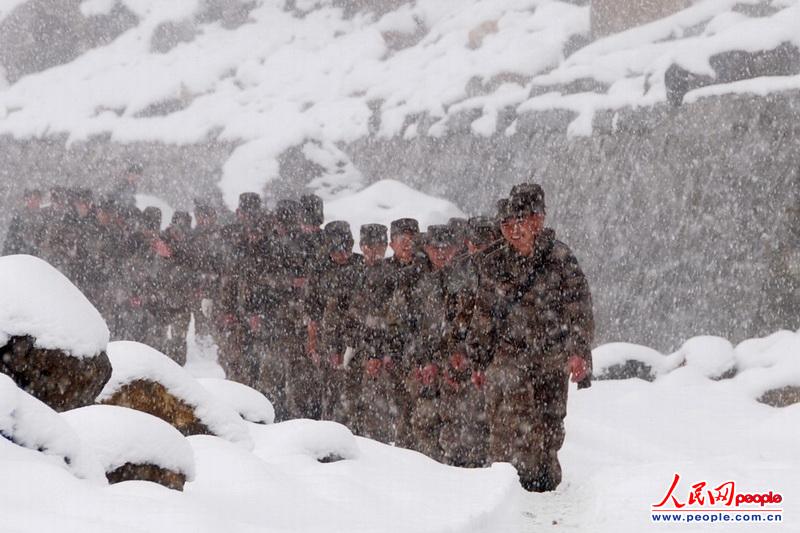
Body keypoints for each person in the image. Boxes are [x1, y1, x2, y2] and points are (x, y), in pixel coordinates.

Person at [470, 183, 594, 491]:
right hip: (508, 354)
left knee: (549, 427)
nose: (514, 230)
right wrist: (478, 359)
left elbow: (579, 307)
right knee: (506, 422)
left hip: (551, 354)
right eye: (507, 224)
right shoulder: (494, 263)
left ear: (537, 222)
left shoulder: (560, 258)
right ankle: (503, 488)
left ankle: (544, 487)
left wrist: (579, 352)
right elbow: (484, 314)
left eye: (521, 222)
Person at [307, 220, 363, 423]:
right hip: (327, 341)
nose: (343, 254)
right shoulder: (319, 269)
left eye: (346, 248)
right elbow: (312, 312)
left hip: (357, 341)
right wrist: (313, 344)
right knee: (329, 397)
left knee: (354, 398)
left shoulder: (360, 265)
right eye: (337, 249)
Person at [349, 223, 395, 441]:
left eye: (378, 245)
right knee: (350, 412)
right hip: (353, 350)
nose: (373, 250)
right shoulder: (355, 271)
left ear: (386, 246)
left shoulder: (389, 274)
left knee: (376, 416)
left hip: (377, 351)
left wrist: (375, 353)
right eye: (368, 245)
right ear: (361, 245)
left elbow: (382, 320)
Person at [384, 218, 423, 446]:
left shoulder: (427, 268)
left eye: (412, 238)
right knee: (398, 413)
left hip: (421, 352)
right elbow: (374, 315)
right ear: (392, 244)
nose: (407, 243)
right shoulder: (383, 273)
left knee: (422, 415)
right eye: (402, 239)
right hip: (393, 352)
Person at [3, 189, 45, 257]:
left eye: (35, 199)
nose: (32, 201)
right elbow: (10, 239)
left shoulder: (44, 218)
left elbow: (44, 241)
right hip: (19, 255)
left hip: (37, 258)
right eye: (30, 198)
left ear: (40, 200)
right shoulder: (18, 217)